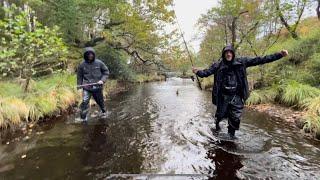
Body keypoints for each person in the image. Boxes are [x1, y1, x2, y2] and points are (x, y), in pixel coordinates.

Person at [192, 45, 288, 138]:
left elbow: (261, 60)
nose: (228, 54)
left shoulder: (242, 62)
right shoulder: (218, 65)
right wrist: (197, 72)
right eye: (226, 53)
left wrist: (279, 55)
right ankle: (217, 126)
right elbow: (206, 73)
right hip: (223, 96)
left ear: (233, 54)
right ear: (223, 54)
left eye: (230, 52)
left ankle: (231, 136)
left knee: (235, 118)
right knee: (220, 116)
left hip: (237, 96)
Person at [77, 47, 110, 122]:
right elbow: (79, 76)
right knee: (85, 101)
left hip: (97, 87)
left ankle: (104, 112)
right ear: (86, 55)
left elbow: (106, 72)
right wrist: (79, 86)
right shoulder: (82, 65)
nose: (90, 55)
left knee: (100, 101)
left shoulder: (99, 63)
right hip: (86, 87)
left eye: (91, 54)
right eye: (88, 54)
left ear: (93, 55)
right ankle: (83, 118)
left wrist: (102, 80)